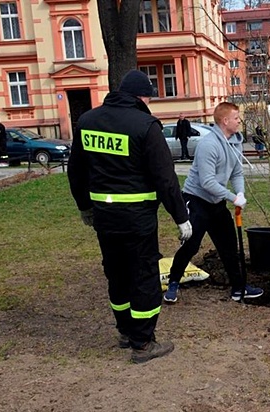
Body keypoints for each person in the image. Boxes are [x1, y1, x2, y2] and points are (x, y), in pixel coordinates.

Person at [67, 69, 192, 364]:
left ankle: (125, 331)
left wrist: (84, 206)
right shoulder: (146, 125)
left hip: (105, 218)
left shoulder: (87, 121)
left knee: (117, 273)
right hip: (137, 219)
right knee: (144, 276)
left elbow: (76, 171)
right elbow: (165, 178)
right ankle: (143, 342)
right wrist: (181, 216)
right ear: (142, 96)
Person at [163, 102, 264, 304]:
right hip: (197, 199)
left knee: (229, 246)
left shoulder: (234, 143)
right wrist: (232, 198)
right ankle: (173, 282)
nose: (239, 121)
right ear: (225, 121)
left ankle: (239, 288)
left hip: (217, 203)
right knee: (191, 246)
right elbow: (207, 182)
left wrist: (240, 193)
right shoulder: (208, 145)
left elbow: (236, 172)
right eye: (236, 118)